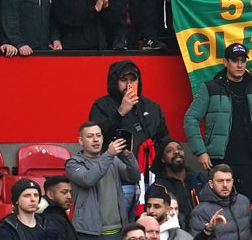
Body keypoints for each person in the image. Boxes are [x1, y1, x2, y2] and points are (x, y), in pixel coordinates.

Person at [183, 42, 252, 202]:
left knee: (250, 208)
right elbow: (190, 119)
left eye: (243, 60)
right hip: (221, 161)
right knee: (219, 208)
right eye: (235, 60)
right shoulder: (210, 87)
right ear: (225, 62)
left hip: (250, 161)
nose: (240, 65)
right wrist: (200, 151)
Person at [89, 60, 169, 219]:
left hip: (149, 178)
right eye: (123, 80)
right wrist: (120, 112)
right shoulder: (101, 105)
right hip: (119, 180)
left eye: (133, 80)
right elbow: (97, 139)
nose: (129, 84)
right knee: (119, 224)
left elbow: (163, 138)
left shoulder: (151, 106)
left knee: (149, 224)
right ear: (114, 82)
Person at [65, 121, 141, 240]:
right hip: (89, 232)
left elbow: (133, 177)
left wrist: (128, 156)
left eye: (99, 135)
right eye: (90, 136)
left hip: (118, 229)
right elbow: (88, 180)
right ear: (80, 141)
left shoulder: (112, 160)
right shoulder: (74, 163)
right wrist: (109, 154)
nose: (96, 140)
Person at [151, 139, 207, 231]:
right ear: (163, 159)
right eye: (170, 150)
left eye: (179, 149)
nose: (176, 152)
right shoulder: (158, 188)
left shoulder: (201, 179)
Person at [188, 164, 252, 240]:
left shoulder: (243, 201)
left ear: (232, 182)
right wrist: (208, 229)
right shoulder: (201, 211)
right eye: (220, 181)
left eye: (228, 181)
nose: (225, 185)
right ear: (211, 184)